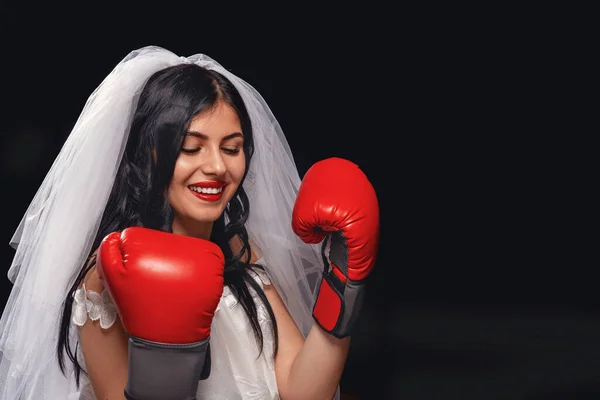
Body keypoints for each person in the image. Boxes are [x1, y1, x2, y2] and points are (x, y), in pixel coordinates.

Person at [0, 46, 379, 399]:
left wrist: (342, 284)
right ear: (150, 153)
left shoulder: (239, 250)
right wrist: (166, 357)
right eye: (191, 148)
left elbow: (303, 390)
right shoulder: (107, 274)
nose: (217, 167)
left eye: (232, 148)